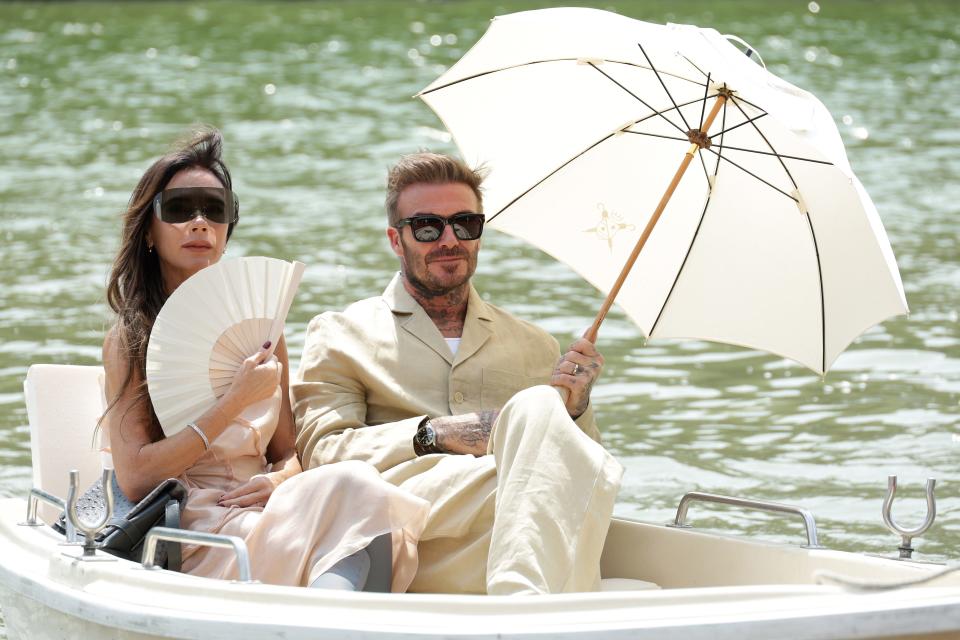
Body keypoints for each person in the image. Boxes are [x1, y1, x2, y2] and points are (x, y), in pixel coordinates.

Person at [100, 128, 428, 591]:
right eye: (179, 209)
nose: (199, 223)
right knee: (351, 510)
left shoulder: (260, 328)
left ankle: (332, 620)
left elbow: (288, 454)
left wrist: (277, 483)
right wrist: (233, 403)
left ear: (228, 228)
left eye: (215, 210)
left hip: (267, 504)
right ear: (149, 231)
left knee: (358, 483)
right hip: (191, 527)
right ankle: (334, 620)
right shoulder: (130, 339)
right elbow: (135, 479)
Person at [292, 152, 623, 595]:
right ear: (396, 239)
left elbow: (583, 468)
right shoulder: (341, 333)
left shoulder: (535, 345)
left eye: (465, 224)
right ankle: (532, 602)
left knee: (543, 420)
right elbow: (322, 454)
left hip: (499, 531)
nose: (449, 239)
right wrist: (436, 433)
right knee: (539, 468)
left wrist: (577, 407)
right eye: (428, 227)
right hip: (408, 535)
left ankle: (521, 595)